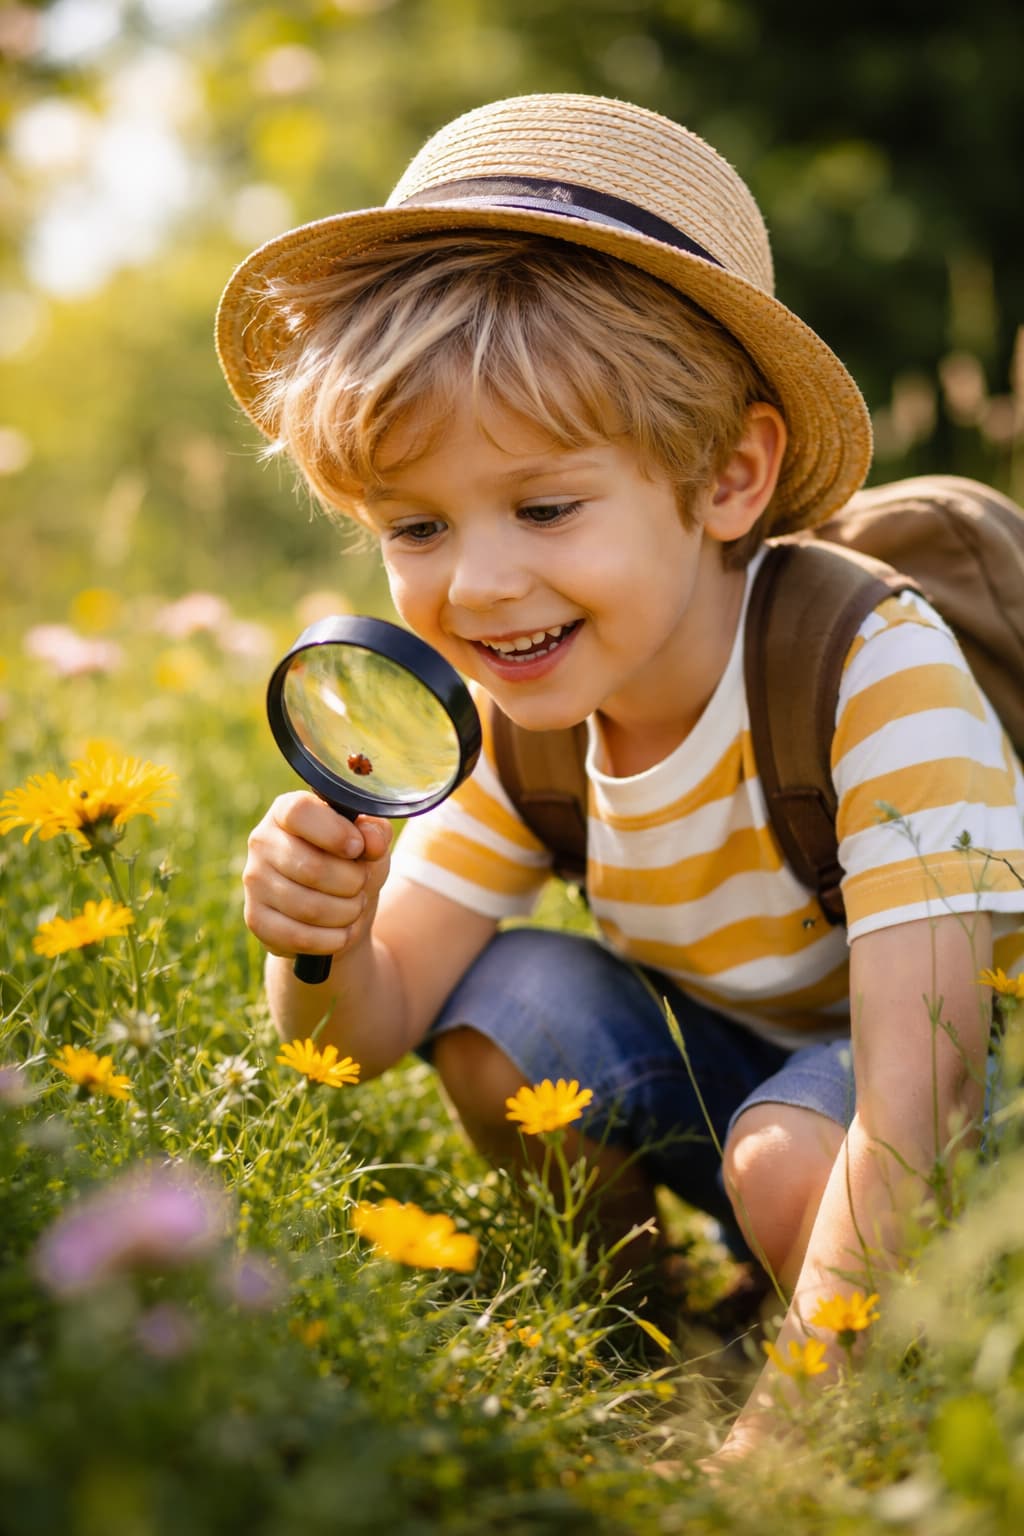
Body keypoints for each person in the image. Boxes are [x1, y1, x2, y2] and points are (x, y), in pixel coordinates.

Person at [216, 94, 1024, 1458]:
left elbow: (919, 1096)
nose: (477, 584)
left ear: (727, 477)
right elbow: (360, 1040)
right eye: (417, 524)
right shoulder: (512, 718)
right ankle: (663, 1335)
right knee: (496, 1010)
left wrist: (788, 1445)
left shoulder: (867, 666)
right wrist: (319, 941)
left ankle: (837, 1378)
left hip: (960, 1087)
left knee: (793, 1166)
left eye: (544, 507)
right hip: (748, 1067)